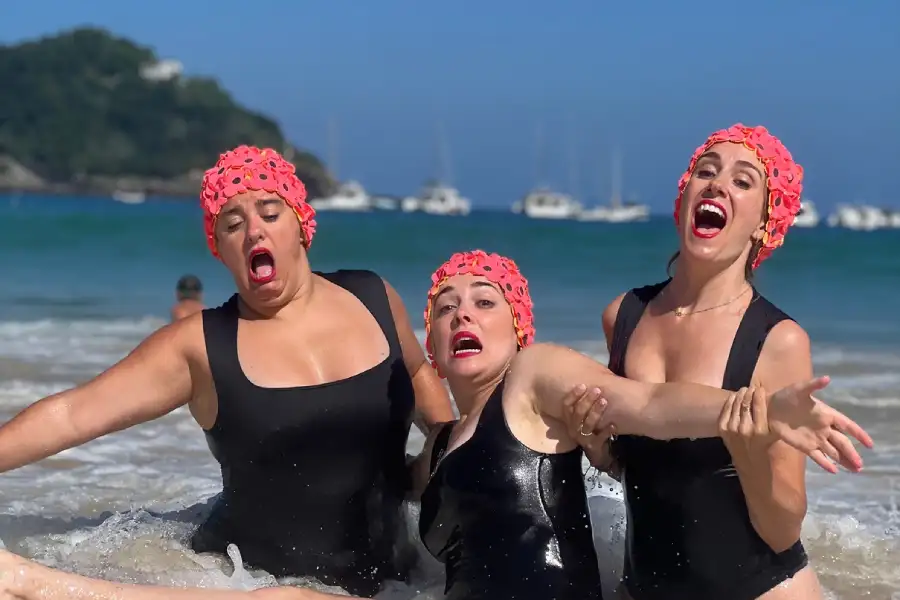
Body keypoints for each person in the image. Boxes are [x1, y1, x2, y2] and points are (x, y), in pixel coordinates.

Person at [0, 250, 873, 600]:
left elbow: (646, 405)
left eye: (484, 301)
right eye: (445, 305)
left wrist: (747, 409)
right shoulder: (442, 446)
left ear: (519, 326)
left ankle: (36, 585)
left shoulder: (538, 377)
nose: (462, 313)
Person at [0, 145, 454, 596]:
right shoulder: (201, 345)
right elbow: (74, 414)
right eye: (233, 225)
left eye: (270, 214)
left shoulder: (373, 298)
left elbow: (417, 373)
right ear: (219, 248)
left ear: (301, 224)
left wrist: (446, 454)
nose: (254, 231)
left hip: (401, 583)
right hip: (241, 582)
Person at [572, 124, 845, 600]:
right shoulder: (624, 316)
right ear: (684, 198)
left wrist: (748, 453)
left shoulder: (776, 341)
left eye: (743, 181)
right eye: (706, 171)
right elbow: (655, 470)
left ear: (764, 222)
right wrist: (599, 449)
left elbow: (783, 529)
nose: (717, 184)